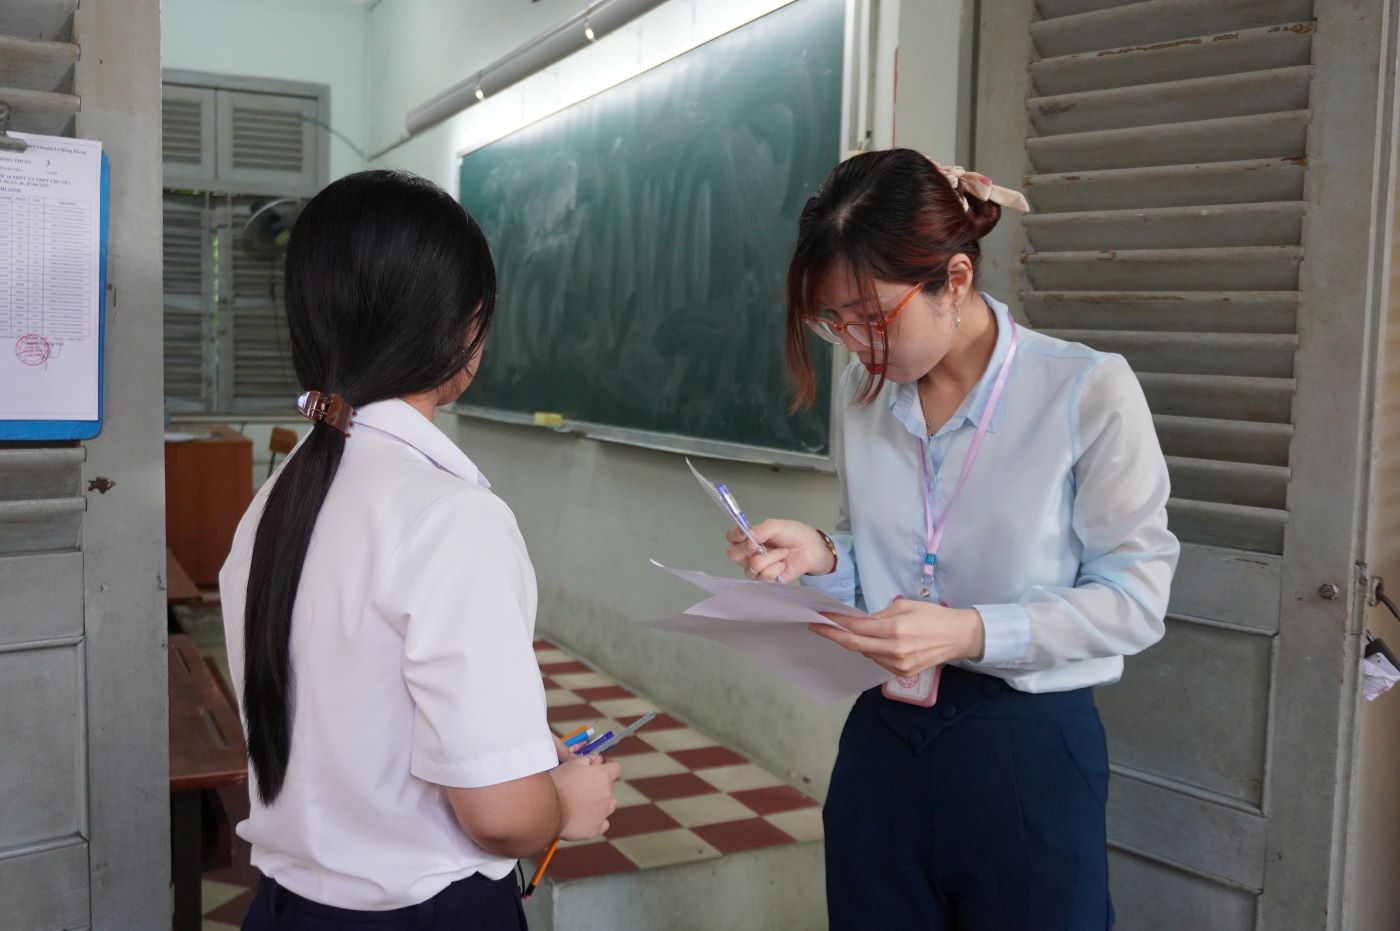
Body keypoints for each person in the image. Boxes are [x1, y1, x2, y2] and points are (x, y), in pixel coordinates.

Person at [726, 148, 1178, 929]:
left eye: (872, 316)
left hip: (1026, 746)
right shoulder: (866, 394)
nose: (856, 343)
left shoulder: (1085, 390)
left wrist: (968, 630)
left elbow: (1135, 600)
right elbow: (891, 558)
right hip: (887, 733)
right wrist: (826, 555)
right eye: (832, 321)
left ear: (956, 280)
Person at [220, 170, 619, 930]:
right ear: (463, 326)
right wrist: (566, 800)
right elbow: (502, 815)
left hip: (285, 909)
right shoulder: (451, 516)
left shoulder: (275, 499)